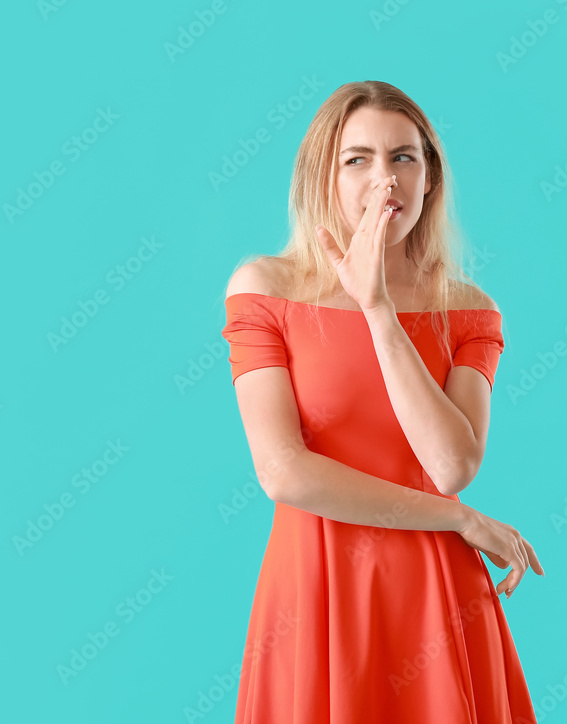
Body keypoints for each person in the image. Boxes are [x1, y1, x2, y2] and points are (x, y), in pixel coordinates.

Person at [220, 80, 544, 723]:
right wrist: (460, 520)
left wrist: (377, 309)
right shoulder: (264, 289)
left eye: (404, 157)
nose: (385, 179)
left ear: (430, 178)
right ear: (324, 177)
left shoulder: (470, 311)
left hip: (437, 597)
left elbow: (451, 465)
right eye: (357, 158)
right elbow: (282, 471)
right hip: (318, 590)